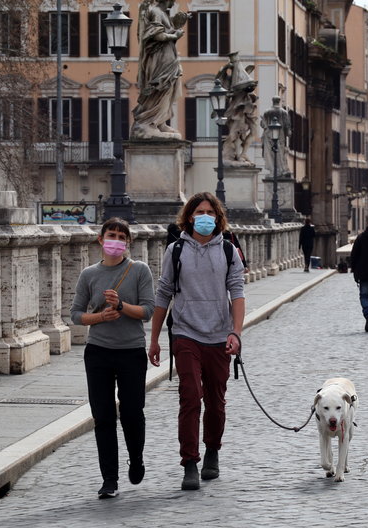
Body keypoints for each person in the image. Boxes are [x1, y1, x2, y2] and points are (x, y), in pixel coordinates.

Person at [149, 192, 245, 491]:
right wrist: (153, 339)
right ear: (189, 217)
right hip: (185, 332)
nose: (205, 217)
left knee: (216, 401)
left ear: (217, 218)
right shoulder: (175, 251)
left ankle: (212, 452)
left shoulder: (229, 251)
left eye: (210, 212)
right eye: (199, 212)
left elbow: (238, 293)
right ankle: (189, 462)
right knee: (190, 396)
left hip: (219, 335)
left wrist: (236, 333)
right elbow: (163, 293)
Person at [70, 218, 155, 499]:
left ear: (128, 242)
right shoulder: (89, 274)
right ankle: (109, 479)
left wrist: (120, 305)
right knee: (103, 417)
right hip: (98, 352)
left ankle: (137, 458)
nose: (116, 240)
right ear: (100, 239)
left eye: (121, 236)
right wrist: (100, 317)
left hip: (131, 351)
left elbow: (147, 311)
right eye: (111, 235)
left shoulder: (139, 270)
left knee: (132, 412)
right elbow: (75, 315)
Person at [133, 0, 188, 139]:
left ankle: (160, 121)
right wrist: (175, 35)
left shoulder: (163, 13)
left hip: (168, 56)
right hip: (161, 58)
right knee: (160, 86)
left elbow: (165, 33)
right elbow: (156, 35)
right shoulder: (156, 12)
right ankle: (149, 122)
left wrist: (176, 26)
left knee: (168, 88)